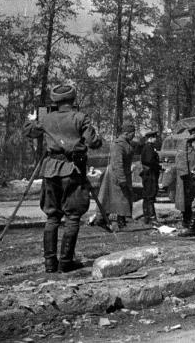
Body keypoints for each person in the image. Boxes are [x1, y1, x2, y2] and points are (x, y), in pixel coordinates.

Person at [23, 84, 103, 273]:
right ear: (73, 99)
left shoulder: (46, 118)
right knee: (72, 217)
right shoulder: (80, 117)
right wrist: (93, 135)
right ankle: (66, 263)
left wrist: (32, 119)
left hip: (50, 170)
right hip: (73, 170)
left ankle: (50, 263)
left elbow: (29, 132)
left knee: (52, 217)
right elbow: (93, 143)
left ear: (55, 101)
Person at [97, 122, 137, 230]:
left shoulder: (126, 143)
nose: (134, 135)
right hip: (115, 175)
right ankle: (102, 220)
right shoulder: (118, 144)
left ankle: (121, 221)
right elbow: (117, 163)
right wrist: (122, 179)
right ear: (126, 133)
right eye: (133, 133)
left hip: (122, 174)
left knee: (122, 198)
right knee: (113, 198)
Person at [175, 124, 195, 234]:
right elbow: (180, 160)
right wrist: (186, 175)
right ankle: (186, 221)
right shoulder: (185, 143)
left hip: (194, 176)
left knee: (193, 199)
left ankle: (191, 221)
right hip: (187, 178)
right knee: (187, 200)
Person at [139, 129, 161, 225]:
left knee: (147, 196)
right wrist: (158, 166)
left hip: (149, 174)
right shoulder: (148, 148)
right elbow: (150, 161)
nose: (155, 139)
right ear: (150, 138)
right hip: (150, 174)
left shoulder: (149, 147)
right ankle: (151, 218)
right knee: (150, 196)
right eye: (154, 137)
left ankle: (147, 217)